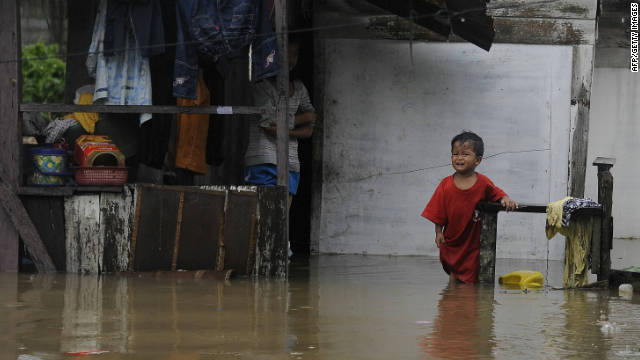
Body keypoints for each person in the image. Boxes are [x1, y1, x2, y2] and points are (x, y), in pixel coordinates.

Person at [421, 131, 517, 285]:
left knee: (471, 279)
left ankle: (467, 303)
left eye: (465, 154)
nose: (459, 158)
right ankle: (451, 302)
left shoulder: (483, 183)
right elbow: (438, 210)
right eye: (455, 154)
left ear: (477, 160)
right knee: (453, 273)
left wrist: (506, 199)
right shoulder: (445, 184)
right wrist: (438, 232)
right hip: (451, 240)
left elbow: (497, 193)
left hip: (472, 240)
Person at [244, 38, 315, 208]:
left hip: (290, 163)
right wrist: (301, 120)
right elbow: (269, 125)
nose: (291, 59)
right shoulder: (262, 87)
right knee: (262, 217)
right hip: (265, 161)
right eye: (286, 54)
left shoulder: (299, 88)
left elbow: (311, 125)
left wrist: (282, 130)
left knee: (281, 223)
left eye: (295, 54)